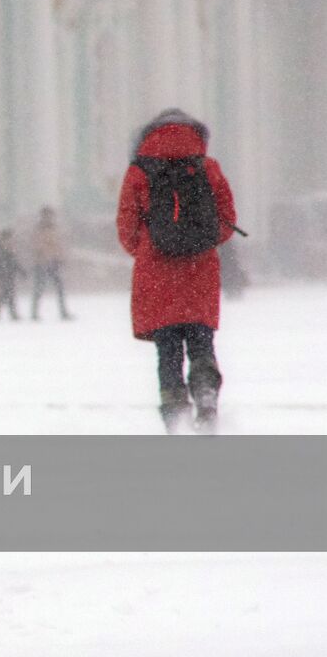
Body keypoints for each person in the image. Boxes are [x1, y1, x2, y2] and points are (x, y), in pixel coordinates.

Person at [116, 108, 236, 434]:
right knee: (201, 342)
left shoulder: (139, 172)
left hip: (156, 274)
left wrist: (148, 250)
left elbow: (126, 229)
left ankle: (174, 413)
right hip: (200, 272)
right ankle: (206, 394)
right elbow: (226, 221)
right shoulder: (207, 168)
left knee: (167, 349)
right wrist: (201, 244)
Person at [29, 207, 73, 320]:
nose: (49, 217)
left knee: (59, 288)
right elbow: (37, 245)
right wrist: (41, 256)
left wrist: (61, 257)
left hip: (54, 262)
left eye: (50, 215)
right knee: (39, 288)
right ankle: (34, 313)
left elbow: (58, 244)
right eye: (47, 215)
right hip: (42, 262)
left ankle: (63, 312)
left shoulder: (54, 228)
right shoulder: (39, 229)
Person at [0, 228, 25, 321]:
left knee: (8, 295)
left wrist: (21, 271)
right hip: (0, 275)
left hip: (9, 275)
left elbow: (14, 262)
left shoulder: (9, 248)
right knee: (2, 295)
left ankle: (7, 314)